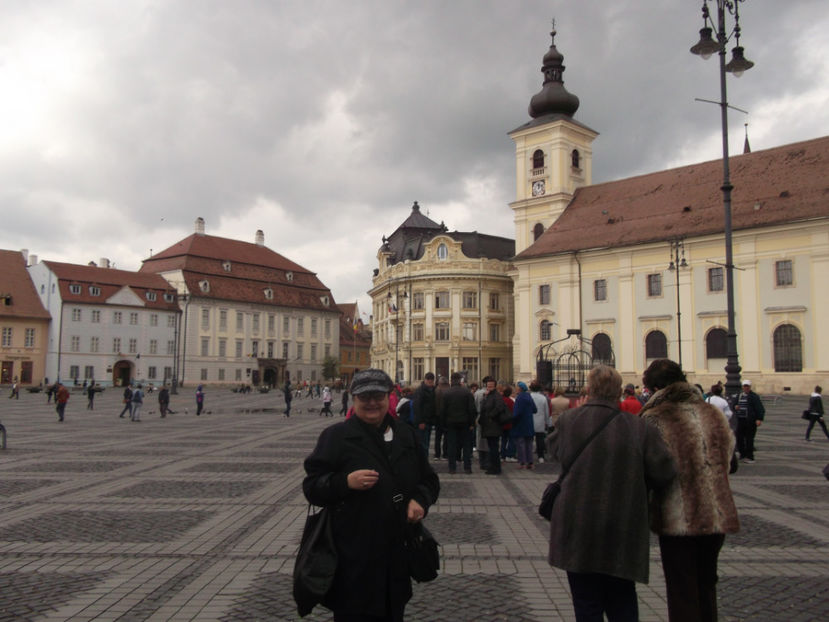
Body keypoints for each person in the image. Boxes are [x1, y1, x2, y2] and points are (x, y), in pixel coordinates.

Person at [302, 368, 440, 621]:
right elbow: (312, 488)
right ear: (353, 399)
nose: (372, 403)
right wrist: (344, 482)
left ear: (389, 397)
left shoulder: (405, 435)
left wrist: (420, 500)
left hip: (397, 550)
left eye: (378, 396)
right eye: (364, 397)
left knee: (393, 610)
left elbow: (429, 480)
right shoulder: (337, 437)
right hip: (352, 554)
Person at [546, 364, 676, 622]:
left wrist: (579, 411)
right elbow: (664, 471)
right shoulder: (639, 427)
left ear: (589, 389)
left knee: (585, 603)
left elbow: (555, 451)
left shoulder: (571, 420)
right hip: (624, 524)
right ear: (618, 391)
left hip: (578, 523)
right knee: (623, 600)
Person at [640, 359, 740, 622]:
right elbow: (730, 458)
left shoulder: (655, 418)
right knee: (707, 584)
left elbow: (651, 469)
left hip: (678, 516)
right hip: (716, 513)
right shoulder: (712, 412)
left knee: (682, 588)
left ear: (654, 388)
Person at [439, 372, 476, 474]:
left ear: (451, 380)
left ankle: (452, 468)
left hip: (451, 423)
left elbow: (443, 411)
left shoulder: (446, 393)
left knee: (451, 446)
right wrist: (472, 423)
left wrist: (443, 425)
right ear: (460, 380)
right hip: (465, 423)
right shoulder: (467, 392)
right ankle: (467, 468)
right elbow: (472, 409)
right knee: (466, 446)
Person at [479, 377, 508, 475]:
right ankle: (493, 466)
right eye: (488, 385)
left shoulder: (496, 395)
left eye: (491, 385)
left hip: (494, 425)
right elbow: (483, 407)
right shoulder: (489, 395)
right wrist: (485, 397)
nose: (489, 387)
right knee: (492, 447)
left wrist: (491, 416)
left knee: (494, 448)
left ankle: (495, 468)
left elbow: (499, 407)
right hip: (489, 426)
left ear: (495, 386)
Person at [734, 380, 765, 463]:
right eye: (744, 386)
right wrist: (735, 407)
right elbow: (734, 404)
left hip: (750, 420)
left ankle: (750, 457)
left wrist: (759, 419)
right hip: (741, 419)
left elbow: (760, 408)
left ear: (750, 387)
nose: (746, 387)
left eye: (747, 386)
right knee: (739, 438)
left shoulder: (754, 396)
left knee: (749, 439)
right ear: (742, 387)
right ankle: (742, 454)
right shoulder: (739, 396)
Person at [511, 381, 537, 470]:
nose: (515, 388)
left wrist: (512, 420)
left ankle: (522, 462)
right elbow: (535, 409)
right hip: (529, 423)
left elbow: (517, 413)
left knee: (520, 444)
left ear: (520, 389)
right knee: (529, 444)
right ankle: (530, 462)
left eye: (516, 387)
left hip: (520, 424)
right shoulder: (529, 396)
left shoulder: (519, 398)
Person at [412, 372, 437, 457]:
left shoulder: (433, 390)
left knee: (426, 443)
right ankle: (423, 464)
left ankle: (424, 463)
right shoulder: (420, 391)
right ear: (425, 380)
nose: (430, 383)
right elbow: (417, 407)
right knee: (423, 444)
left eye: (432, 381)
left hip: (429, 420)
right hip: (422, 422)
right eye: (429, 381)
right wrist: (420, 421)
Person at [530, 381, 551, 463]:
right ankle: (541, 456)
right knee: (540, 440)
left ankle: (529, 456)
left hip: (530, 421)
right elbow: (546, 412)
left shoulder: (529, 396)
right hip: (540, 421)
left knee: (529, 440)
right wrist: (547, 422)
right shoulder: (543, 398)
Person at [433, 376, 450, 459]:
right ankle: (445, 454)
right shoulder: (449, 391)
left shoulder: (436, 390)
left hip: (438, 417)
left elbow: (434, 405)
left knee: (438, 437)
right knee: (446, 437)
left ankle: (437, 454)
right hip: (447, 417)